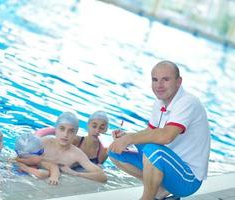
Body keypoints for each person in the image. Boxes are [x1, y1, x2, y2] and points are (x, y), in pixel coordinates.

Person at [108, 60, 210, 200]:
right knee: (114, 151)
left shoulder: (187, 102)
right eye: (155, 80)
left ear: (178, 82)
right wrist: (126, 137)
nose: (159, 85)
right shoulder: (159, 103)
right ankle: (161, 189)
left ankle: (148, 197)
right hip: (168, 165)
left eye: (165, 79)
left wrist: (129, 139)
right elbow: (149, 133)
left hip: (188, 178)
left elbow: (166, 136)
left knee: (152, 150)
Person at [41, 111, 107, 183]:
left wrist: (76, 173)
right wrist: (53, 168)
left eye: (71, 131)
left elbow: (102, 176)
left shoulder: (77, 154)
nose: (65, 134)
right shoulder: (44, 143)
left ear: (75, 133)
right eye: (62, 129)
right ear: (56, 129)